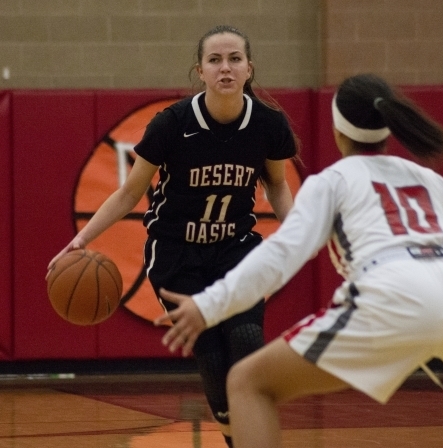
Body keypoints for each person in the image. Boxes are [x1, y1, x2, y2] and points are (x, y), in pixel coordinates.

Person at [154, 73, 443, 448]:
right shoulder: (428, 179)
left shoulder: (333, 181)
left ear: (338, 131)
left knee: (249, 383)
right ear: (388, 127)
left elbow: (280, 254)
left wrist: (208, 304)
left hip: (394, 288)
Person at [47, 25, 299, 448]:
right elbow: (129, 193)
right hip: (176, 255)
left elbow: (276, 184)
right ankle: (232, 429)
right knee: (213, 354)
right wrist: (82, 239)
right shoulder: (172, 124)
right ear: (199, 71)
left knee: (245, 337)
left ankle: (252, 431)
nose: (225, 68)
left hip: (236, 249)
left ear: (249, 69)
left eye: (234, 59)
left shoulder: (268, 125)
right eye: (215, 60)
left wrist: (297, 233)